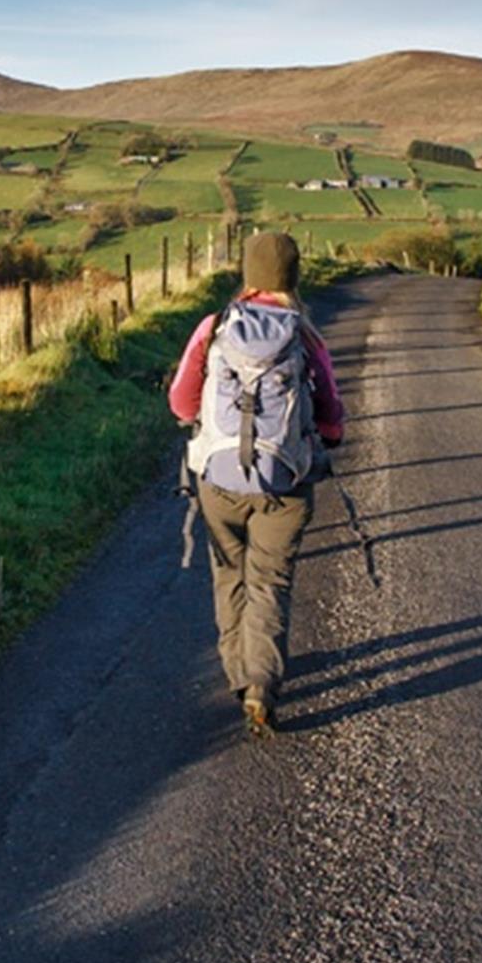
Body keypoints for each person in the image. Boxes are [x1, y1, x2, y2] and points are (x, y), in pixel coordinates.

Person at [168, 232, 345, 735]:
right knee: (270, 581)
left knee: (229, 576)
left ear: (247, 274)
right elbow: (331, 412)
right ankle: (263, 684)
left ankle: (239, 675)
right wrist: (326, 437)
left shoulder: (214, 326)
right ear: (294, 276)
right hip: (284, 484)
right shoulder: (305, 335)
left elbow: (181, 404)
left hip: (218, 481)